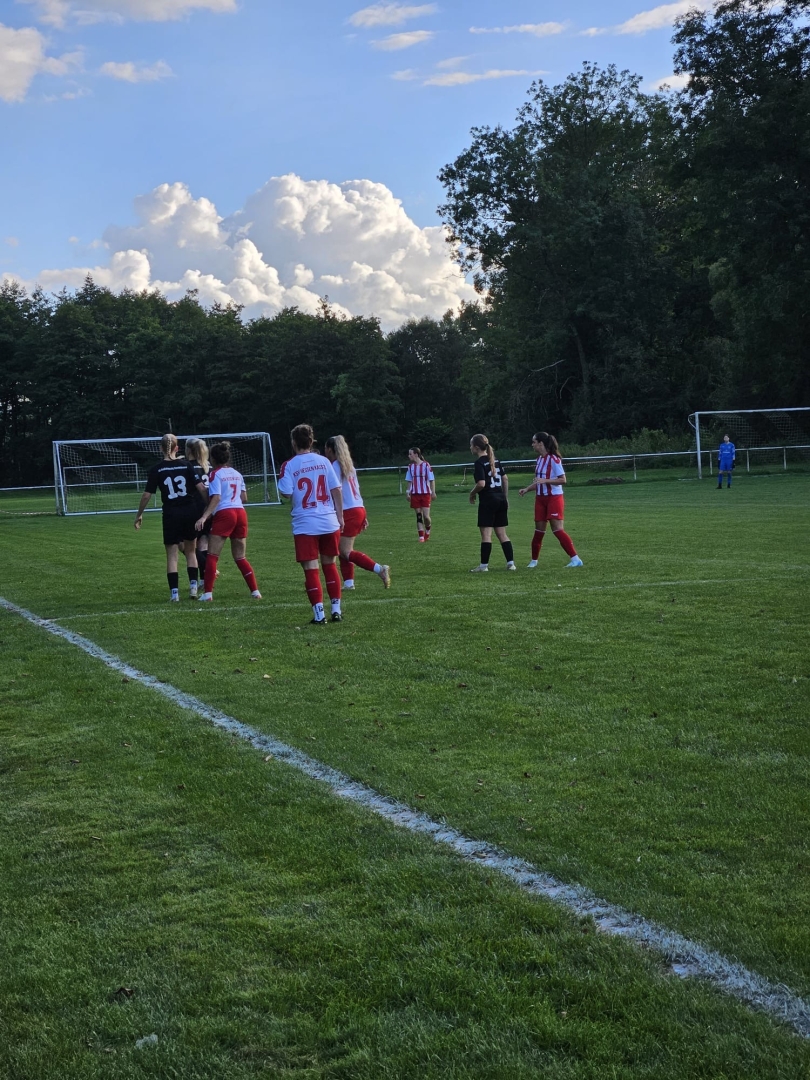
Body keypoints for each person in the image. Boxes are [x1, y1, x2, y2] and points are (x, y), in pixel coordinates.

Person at [277, 424, 345, 625]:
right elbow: (336, 490)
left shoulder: (289, 465)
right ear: (311, 441)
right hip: (328, 520)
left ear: (293, 443)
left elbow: (286, 492)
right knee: (330, 565)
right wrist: (340, 517)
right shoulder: (324, 461)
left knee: (311, 568)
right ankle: (336, 610)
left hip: (305, 523)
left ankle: (319, 615)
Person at [134, 433, 208, 601]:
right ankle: (193, 589)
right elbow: (202, 488)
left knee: (172, 555)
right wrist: (208, 510)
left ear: (161, 448)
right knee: (191, 552)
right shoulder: (186, 465)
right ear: (177, 448)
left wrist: (139, 514)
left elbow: (146, 495)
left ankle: (174, 594)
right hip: (189, 511)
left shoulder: (157, 469)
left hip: (170, 514)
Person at [194, 441, 261, 602]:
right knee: (240, 557)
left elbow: (216, 498)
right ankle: (255, 591)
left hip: (225, 514)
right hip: (240, 513)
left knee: (212, 556)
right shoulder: (237, 474)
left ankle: (208, 594)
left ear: (213, 459)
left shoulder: (215, 474)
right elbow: (244, 497)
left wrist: (204, 516)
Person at [324, 435, 391, 590]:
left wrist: (336, 512)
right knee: (342, 550)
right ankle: (349, 583)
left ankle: (380, 569)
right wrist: (363, 514)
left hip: (348, 511)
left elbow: (336, 491)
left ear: (330, 449)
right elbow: (357, 492)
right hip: (358, 508)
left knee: (345, 551)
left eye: (325, 448)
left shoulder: (335, 466)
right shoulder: (349, 466)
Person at [518, 432, 583, 568]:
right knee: (539, 531)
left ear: (541, 443)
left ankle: (576, 559)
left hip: (554, 498)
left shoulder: (554, 459)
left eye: (534, 442)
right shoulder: (539, 460)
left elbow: (562, 480)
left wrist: (546, 480)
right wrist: (527, 489)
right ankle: (533, 561)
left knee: (557, 529)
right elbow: (539, 481)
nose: (532, 445)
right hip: (540, 498)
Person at [468, 433, 517, 573]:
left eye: (471, 445)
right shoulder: (495, 460)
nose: (470, 448)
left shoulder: (479, 463)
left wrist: (472, 493)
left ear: (476, 447)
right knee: (502, 534)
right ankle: (511, 564)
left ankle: (483, 566)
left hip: (488, 501)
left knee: (486, 535)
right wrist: (505, 497)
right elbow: (505, 479)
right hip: (500, 499)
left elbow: (481, 484)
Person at [184, 437, 212, 582]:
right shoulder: (209, 467)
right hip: (209, 509)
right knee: (203, 543)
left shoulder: (186, 467)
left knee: (184, 545)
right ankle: (204, 580)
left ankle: (209, 569)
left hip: (193, 508)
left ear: (188, 450)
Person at [405, 446, 435, 542]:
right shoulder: (410, 467)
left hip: (425, 494)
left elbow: (431, 479)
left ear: (416, 454)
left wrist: (433, 492)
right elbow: (409, 481)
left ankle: (428, 529)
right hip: (415, 494)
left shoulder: (426, 465)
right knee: (418, 515)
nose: (409, 456)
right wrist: (407, 492)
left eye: (410, 454)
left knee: (426, 516)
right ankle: (421, 536)